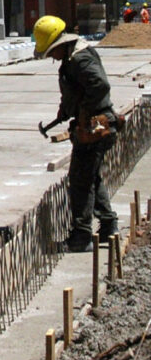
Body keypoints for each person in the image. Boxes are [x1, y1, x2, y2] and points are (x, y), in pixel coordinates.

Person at [33, 14, 120, 253]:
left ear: (59, 44)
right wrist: (66, 110)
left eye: (51, 52)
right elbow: (76, 90)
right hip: (95, 122)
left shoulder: (79, 59)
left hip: (97, 124)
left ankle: (81, 236)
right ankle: (109, 224)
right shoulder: (73, 58)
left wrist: (83, 112)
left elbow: (99, 86)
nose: (51, 56)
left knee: (80, 181)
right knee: (90, 176)